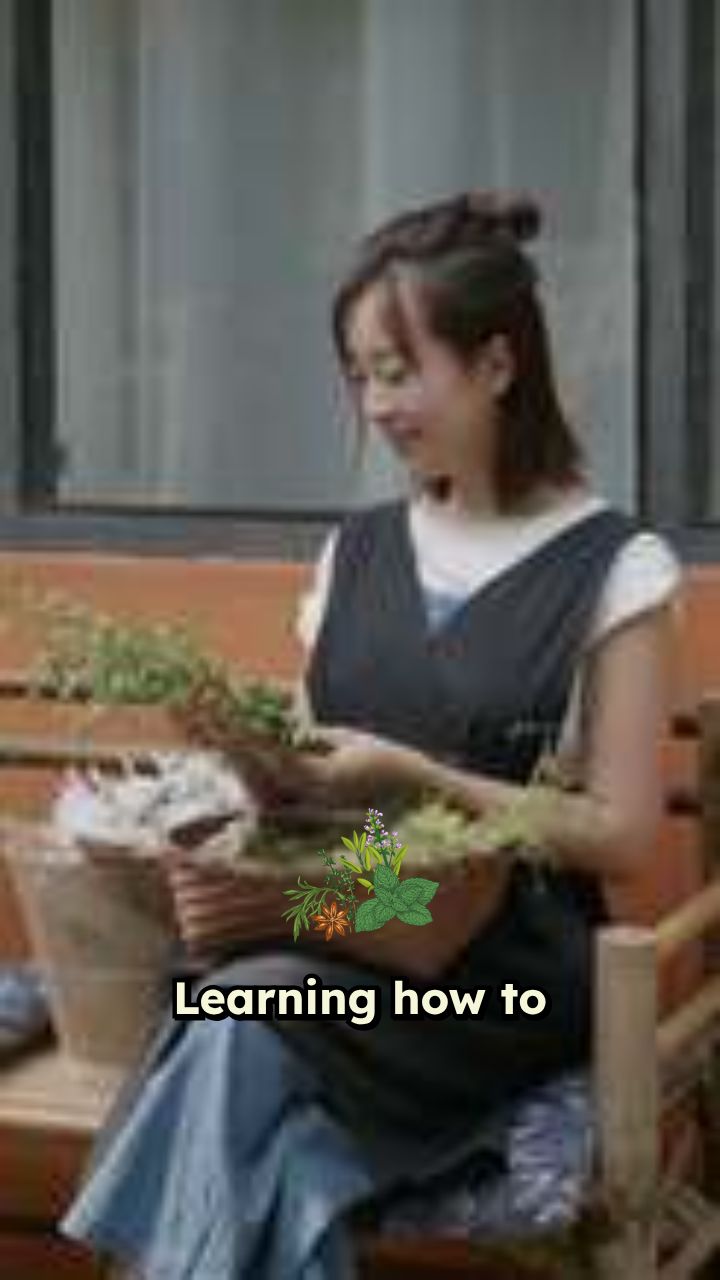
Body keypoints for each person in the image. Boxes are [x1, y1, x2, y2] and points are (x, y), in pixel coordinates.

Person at [61, 192, 680, 1278]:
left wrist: (412, 773)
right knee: (273, 1127)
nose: (377, 403)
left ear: (496, 364)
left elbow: (625, 837)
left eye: (400, 370)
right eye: (359, 375)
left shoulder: (616, 568)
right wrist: (251, 753)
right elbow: (307, 797)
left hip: (498, 975)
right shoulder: (358, 551)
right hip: (350, 911)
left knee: (237, 1015)